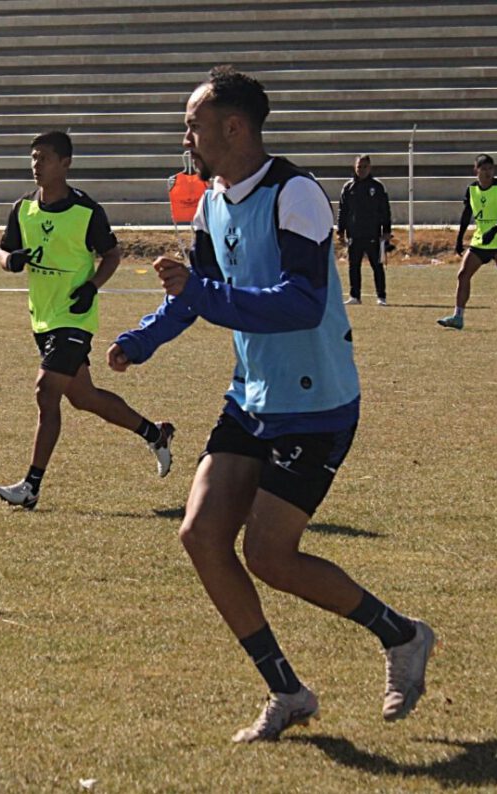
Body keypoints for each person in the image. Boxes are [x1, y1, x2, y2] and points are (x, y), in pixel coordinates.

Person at [107, 67, 436, 743]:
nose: (186, 137)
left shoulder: (298, 195)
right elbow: (195, 293)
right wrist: (143, 339)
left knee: (269, 555)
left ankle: (401, 635)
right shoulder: (211, 202)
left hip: (315, 407)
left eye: (194, 124)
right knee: (200, 536)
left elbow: (298, 302)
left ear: (234, 128)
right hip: (251, 398)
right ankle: (287, 691)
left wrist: (198, 297)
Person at [0, 130, 174, 510]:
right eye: (33, 158)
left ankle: (31, 486)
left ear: (65, 163)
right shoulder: (22, 208)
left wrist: (92, 287)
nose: (36, 165)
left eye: (43, 158)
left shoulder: (87, 210)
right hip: (42, 317)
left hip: (74, 318)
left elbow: (112, 254)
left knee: (46, 391)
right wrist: (10, 261)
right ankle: (154, 433)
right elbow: (3, 248)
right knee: (83, 397)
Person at [438, 154, 497, 330]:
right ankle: (458, 316)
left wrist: (493, 231)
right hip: (480, 240)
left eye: (490, 169)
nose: (488, 172)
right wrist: (459, 238)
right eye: (484, 169)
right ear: (476, 170)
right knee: (463, 274)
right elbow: (467, 215)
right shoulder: (472, 189)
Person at [337, 155, 392, 306]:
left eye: (364, 167)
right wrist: (341, 231)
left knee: (377, 266)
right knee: (353, 265)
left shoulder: (377, 187)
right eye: (359, 167)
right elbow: (343, 210)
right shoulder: (348, 188)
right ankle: (355, 296)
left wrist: (386, 230)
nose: (361, 170)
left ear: (370, 167)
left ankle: (381, 296)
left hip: (373, 233)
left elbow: (385, 210)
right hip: (354, 233)